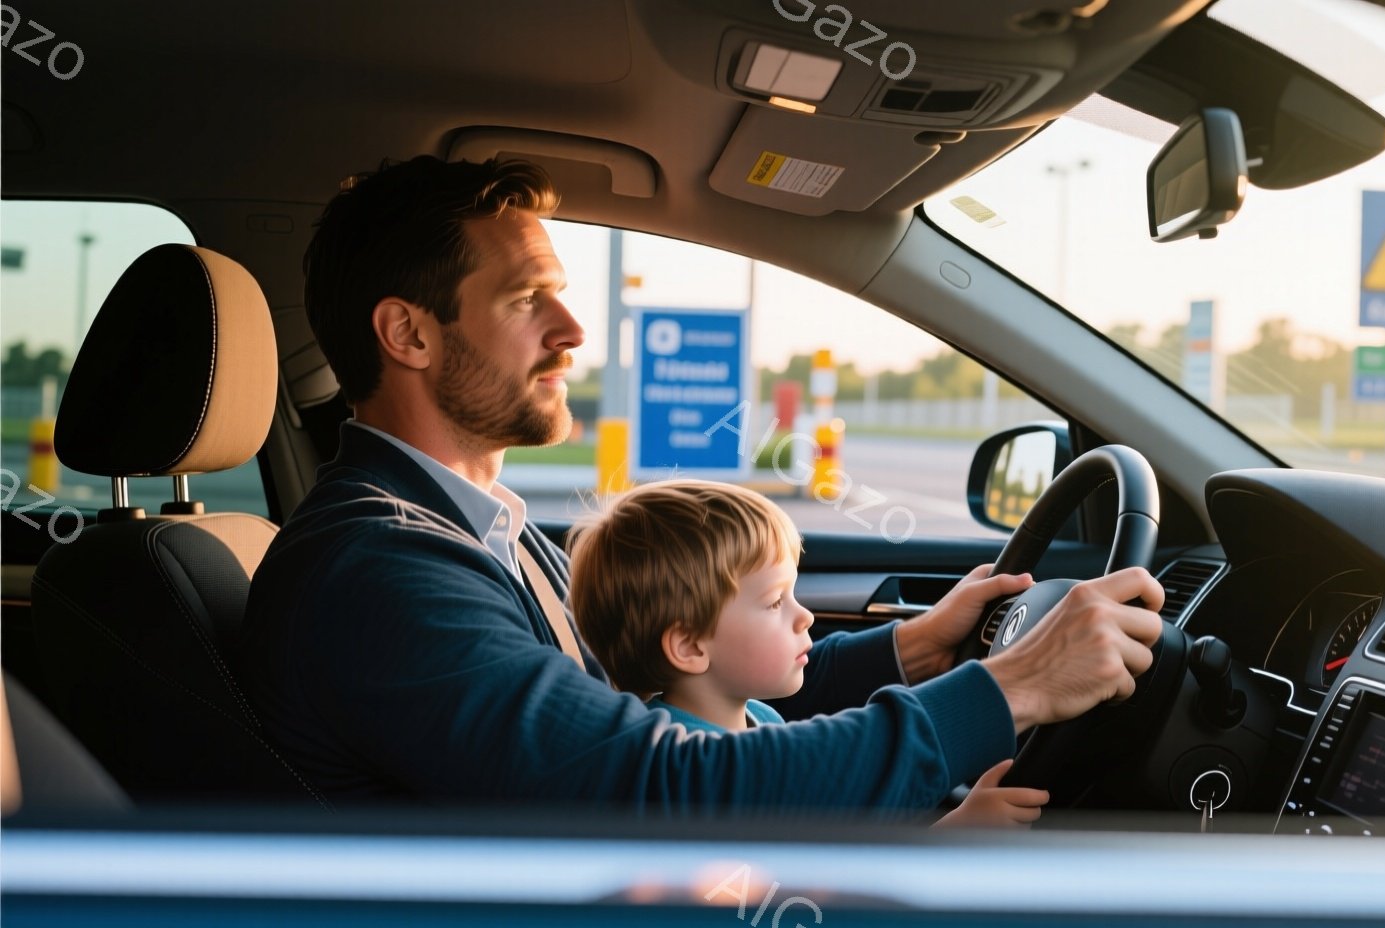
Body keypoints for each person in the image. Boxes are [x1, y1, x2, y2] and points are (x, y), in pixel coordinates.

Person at [238, 155, 1166, 811]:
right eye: (527, 301)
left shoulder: (477, 531)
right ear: (408, 335)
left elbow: (673, 694)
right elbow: (661, 788)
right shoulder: (380, 572)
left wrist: (913, 651)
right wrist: (1009, 689)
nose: (572, 330)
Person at [569, 478, 1049, 827]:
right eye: (775, 602)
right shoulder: (698, 776)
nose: (805, 617)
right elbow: (810, 880)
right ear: (691, 646)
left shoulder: (758, 717)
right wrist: (953, 834)